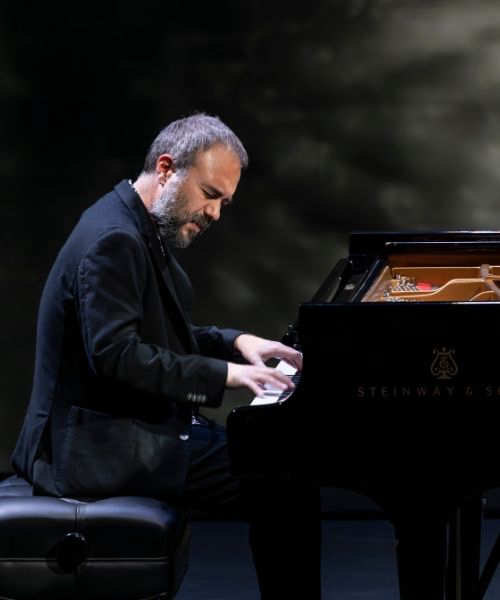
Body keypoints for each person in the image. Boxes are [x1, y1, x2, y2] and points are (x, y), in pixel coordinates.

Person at [11, 113, 320, 597]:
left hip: (117, 428)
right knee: (283, 478)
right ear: (166, 168)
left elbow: (151, 333)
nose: (215, 213)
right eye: (209, 194)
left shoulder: (133, 223)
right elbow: (118, 355)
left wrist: (235, 341)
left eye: (224, 202)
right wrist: (228, 375)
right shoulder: (115, 239)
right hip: (89, 450)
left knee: (278, 467)